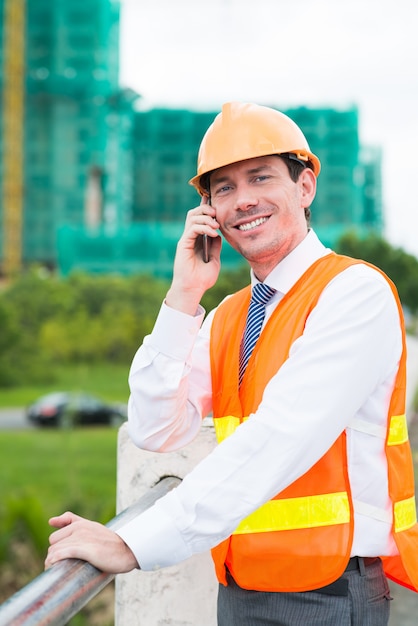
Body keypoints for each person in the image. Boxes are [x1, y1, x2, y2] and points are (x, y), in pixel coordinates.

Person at [45, 102, 418, 625]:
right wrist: (183, 297)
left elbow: (280, 436)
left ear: (305, 186)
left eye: (260, 178)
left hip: (328, 592)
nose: (243, 201)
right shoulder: (227, 316)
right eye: (223, 188)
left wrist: (134, 544)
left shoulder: (354, 292)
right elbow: (155, 429)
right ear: (209, 210)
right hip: (242, 586)